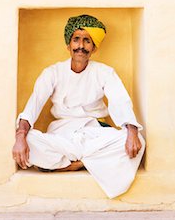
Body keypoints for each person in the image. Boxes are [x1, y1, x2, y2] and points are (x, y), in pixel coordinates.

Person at [12, 14, 145, 198]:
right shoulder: (53, 73)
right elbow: (33, 104)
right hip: (62, 134)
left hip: (94, 132)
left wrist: (131, 131)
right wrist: (21, 136)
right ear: (68, 45)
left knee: (138, 141)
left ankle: (73, 163)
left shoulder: (104, 72)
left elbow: (120, 100)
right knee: (30, 140)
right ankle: (88, 162)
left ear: (94, 47)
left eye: (87, 41)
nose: (81, 46)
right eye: (76, 40)